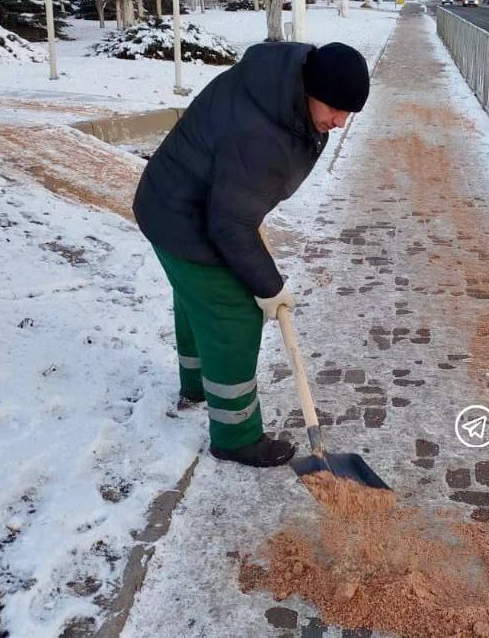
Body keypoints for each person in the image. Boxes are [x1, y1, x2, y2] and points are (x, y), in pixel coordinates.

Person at [133, 41, 370, 468]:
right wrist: (269, 287)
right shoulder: (262, 134)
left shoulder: (277, 82)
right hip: (183, 217)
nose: (340, 121)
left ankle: (197, 385)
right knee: (233, 314)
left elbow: (236, 197)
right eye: (336, 108)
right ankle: (236, 435)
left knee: (195, 299)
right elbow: (228, 226)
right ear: (311, 88)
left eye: (349, 113)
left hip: (170, 198)